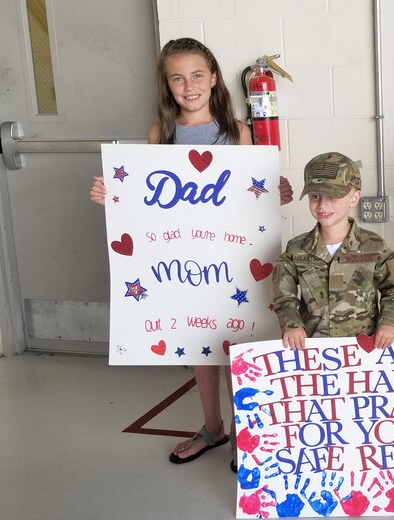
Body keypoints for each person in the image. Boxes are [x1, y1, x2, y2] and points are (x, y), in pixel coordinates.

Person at [89, 37, 293, 471]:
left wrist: (281, 191)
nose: (189, 86)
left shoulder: (238, 132)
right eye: (178, 78)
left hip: (235, 255)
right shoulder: (159, 134)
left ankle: (244, 431)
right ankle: (212, 427)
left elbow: (256, 193)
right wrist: (113, 194)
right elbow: (147, 197)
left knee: (238, 341)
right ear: (167, 85)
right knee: (199, 342)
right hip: (186, 257)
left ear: (214, 78)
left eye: (197, 75)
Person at [272, 151, 394, 351]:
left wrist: (389, 322)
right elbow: (283, 296)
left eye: (332, 196)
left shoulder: (374, 246)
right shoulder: (296, 248)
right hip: (312, 351)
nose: (322, 205)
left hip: (363, 351)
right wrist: (291, 324)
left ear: (354, 198)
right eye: (315, 196)